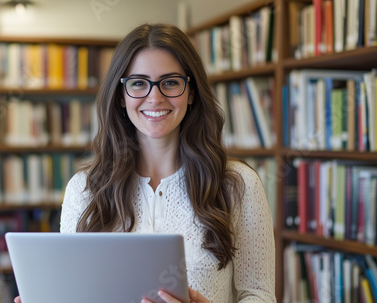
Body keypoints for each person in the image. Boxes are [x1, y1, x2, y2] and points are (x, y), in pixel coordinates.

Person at [15, 23, 275, 303]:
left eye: (170, 82)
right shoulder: (82, 190)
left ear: (191, 92)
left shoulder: (237, 184)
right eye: (139, 83)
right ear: (121, 95)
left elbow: (258, 295)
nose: (155, 97)